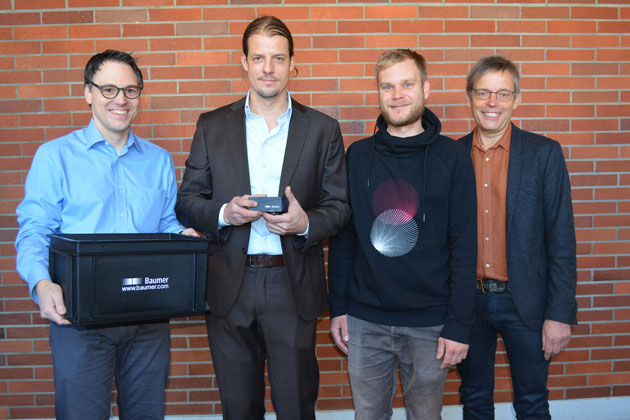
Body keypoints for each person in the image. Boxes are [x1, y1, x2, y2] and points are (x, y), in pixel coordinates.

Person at [174, 16, 350, 420]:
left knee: (296, 406)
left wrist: (304, 223)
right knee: (238, 408)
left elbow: (339, 207)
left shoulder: (323, 129)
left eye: (278, 58)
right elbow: (187, 201)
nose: (268, 68)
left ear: (293, 65)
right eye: (259, 58)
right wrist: (224, 213)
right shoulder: (212, 125)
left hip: (292, 286)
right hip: (228, 286)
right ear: (244, 62)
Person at [15, 50, 198, 419]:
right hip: (80, 319)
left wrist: (183, 238)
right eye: (109, 89)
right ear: (88, 93)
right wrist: (41, 283)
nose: (121, 100)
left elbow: (164, 224)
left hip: (148, 317)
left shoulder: (158, 160)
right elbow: (35, 228)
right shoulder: (55, 157)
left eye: (131, 91)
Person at [327, 49, 477, 420]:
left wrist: (459, 324)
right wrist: (339, 307)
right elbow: (346, 239)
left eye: (407, 84)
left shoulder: (452, 157)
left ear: (426, 88)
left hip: (431, 324)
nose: (397, 94)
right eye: (387, 86)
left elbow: (464, 245)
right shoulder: (358, 156)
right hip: (365, 322)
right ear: (378, 92)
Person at [456, 55, 578, 419]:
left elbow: (562, 239)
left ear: (516, 99)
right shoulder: (452, 156)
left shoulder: (544, 154)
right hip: (467, 304)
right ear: (469, 98)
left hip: (525, 304)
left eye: (503, 94)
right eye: (483, 93)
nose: (492, 103)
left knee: (532, 403)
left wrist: (559, 314)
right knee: (474, 400)